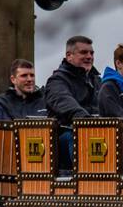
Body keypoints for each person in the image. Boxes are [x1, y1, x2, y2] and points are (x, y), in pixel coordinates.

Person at [44, 35, 102, 172]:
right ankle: (86, 178)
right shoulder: (57, 81)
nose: (89, 56)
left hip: (98, 132)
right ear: (69, 56)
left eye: (91, 53)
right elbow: (64, 102)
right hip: (66, 135)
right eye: (83, 52)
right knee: (77, 139)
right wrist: (87, 121)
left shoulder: (97, 81)